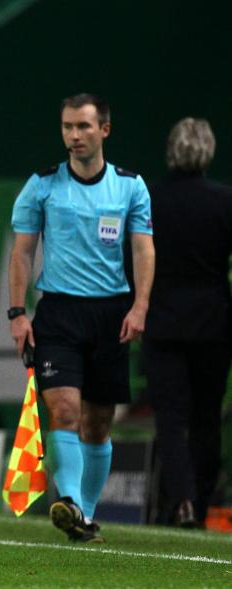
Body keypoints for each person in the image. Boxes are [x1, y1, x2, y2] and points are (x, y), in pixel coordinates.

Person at [8, 93, 155, 543]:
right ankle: (68, 500)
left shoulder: (130, 187)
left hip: (110, 314)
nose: (74, 135)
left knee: (97, 423)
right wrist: (17, 313)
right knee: (64, 411)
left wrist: (140, 306)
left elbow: (143, 249)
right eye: (68, 127)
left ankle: (84, 516)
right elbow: (23, 252)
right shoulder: (43, 185)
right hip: (58, 313)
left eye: (83, 127)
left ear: (104, 130)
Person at [143, 118, 232, 529]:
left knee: (170, 418)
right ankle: (202, 494)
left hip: (161, 321)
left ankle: (182, 502)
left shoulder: (150, 198)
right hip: (214, 323)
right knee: (207, 417)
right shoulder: (224, 201)